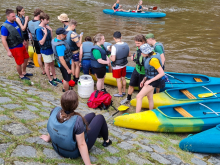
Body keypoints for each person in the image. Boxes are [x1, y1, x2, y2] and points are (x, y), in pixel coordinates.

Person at [40, 90, 112, 164]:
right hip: (72, 152)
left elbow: (53, 126)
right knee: (100, 117)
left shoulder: (55, 111)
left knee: (92, 115)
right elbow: (81, 145)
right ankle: (106, 141)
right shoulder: (77, 120)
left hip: (57, 147)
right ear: (76, 104)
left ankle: (98, 133)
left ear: (61, 102)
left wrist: (48, 138)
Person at [1, 9, 33, 80]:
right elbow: (3, 40)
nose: (15, 17)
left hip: (21, 44)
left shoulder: (15, 22)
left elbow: (19, 32)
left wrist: (24, 40)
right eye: (13, 17)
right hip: (14, 47)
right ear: (8, 17)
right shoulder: (4, 27)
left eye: (14, 16)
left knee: (26, 58)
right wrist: (8, 51)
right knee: (19, 62)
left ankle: (24, 72)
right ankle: (21, 75)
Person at [136, 44, 164, 112]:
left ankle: (137, 115)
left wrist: (149, 81)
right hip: (150, 79)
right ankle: (151, 111)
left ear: (146, 52)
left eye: (142, 52)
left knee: (138, 96)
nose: (141, 54)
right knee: (149, 97)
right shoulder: (149, 56)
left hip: (154, 80)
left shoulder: (153, 60)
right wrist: (144, 80)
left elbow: (162, 73)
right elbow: (150, 71)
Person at [35, 12, 62, 86]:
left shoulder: (47, 27)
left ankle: (55, 78)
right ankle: (50, 80)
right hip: (45, 50)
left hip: (50, 49)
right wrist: (46, 33)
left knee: (52, 64)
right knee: (47, 65)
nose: (48, 21)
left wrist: (50, 31)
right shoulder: (38, 30)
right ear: (42, 20)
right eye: (47, 20)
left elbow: (50, 38)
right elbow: (41, 42)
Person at [120, 35, 146, 104]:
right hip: (137, 69)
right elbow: (137, 55)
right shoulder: (138, 48)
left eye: (138, 43)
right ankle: (128, 98)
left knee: (141, 88)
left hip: (144, 72)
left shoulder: (147, 50)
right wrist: (133, 57)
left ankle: (141, 100)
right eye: (136, 43)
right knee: (131, 84)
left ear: (143, 42)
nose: (137, 45)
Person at [109, 31, 130, 97]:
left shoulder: (114, 47)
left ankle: (120, 93)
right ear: (121, 37)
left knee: (118, 80)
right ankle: (124, 91)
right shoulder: (126, 44)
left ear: (114, 38)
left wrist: (110, 55)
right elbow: (129, 55)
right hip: (124, 64)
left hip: (117, 66)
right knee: (123, 78)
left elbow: (113, 59)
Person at [52, 28, 73, 92]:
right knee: (66, 79)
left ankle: (64, 88)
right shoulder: (60, 46)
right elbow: (61, 59)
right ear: (59, 35)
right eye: (64, 34)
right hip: (65, 64)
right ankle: (67, 92)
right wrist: (68, 69)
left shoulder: (55, 40)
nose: (66, 35)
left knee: (65, 77)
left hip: (64, 63)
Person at [28, 8, 45, 74]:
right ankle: (46, 69)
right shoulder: (39, 23)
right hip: (41, 40)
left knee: (39, 55)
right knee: (45, 54)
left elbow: (30, 33)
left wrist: (32, 41)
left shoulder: (29, 22)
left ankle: (42, 70)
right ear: (39, 15)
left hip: (34, 41)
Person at [65, 19, 83, 84]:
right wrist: (80, 37)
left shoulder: (64, 31)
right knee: (77, 65)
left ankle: (73, 77)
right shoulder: (73, 34)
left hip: (68, 52)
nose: (75, 28)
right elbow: (79, 45)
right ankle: (76, 78)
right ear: (73, 25)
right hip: (75, 52)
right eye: (75, 26)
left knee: (72, 64)